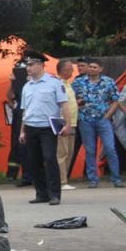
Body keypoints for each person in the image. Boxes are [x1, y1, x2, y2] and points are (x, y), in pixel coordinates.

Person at [17, 54, 69, 204]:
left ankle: (54, 194)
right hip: (31, 126)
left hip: (47, 127)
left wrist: (67, 124)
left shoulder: (54, 83)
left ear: (41, 65)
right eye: (27, 65)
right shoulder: (27, 86)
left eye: (31, 64)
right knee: (33, 161)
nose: (28, 68)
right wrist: (22, 130)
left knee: (49, 158)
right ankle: (41, 193)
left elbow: (64, 104)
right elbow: (25, 111)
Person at [73, 59, 123, 187]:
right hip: (85, 119)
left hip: (103, 119)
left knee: (110, 148)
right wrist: (77, 105)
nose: (91, 69)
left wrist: (108, 115)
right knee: (90, 150)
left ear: (101, 69)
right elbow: (71, 99)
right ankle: (93, 179)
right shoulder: (79, 82)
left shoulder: (108, 82)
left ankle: (116, 178)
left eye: (94, 67)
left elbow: (116, 100)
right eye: (90, 67)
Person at [54, 59, 81, 189]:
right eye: (70, 68)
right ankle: (61, 181)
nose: (72, 71)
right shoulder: (57, 84)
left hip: (72, 122)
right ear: (63, 70)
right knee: (62, 152)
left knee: (69, 151)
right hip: (62, 122)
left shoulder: (68, 84)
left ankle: (65, 178)